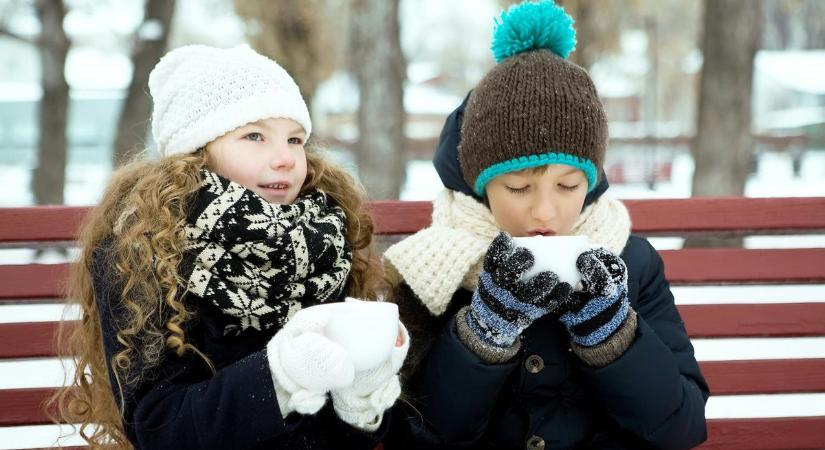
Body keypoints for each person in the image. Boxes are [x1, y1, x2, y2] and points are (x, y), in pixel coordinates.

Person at [383, 1, 708, 449]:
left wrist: (614, 337)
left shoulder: (631, 263)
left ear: (591, 183)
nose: (545, 213)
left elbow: (682, 426)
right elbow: (414, 435)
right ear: (481, 185)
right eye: (518, 188)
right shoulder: (434, 272)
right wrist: (482, 335)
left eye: (568, 185)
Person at [52, 45, 408, 450]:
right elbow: (157, 427)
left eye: (294, 139)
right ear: (195, 153)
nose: (284, 158)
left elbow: (348, 439)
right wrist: (279, 377)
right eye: (254, 136)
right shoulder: (142, 245)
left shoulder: (321, 237)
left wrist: (359, 397)